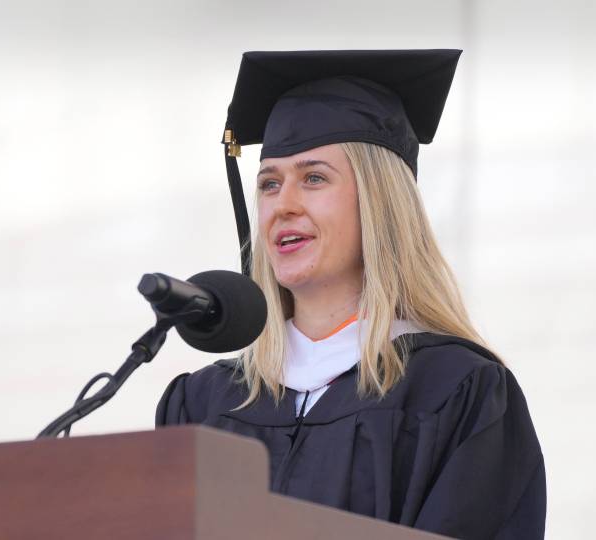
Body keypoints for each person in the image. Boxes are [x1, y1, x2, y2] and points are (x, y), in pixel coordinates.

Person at [156, 50, 545, 540]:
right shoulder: (204, 403)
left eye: (314, 178)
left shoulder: (455, 390)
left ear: (381, 202)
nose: (283, 205)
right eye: (270, 184)